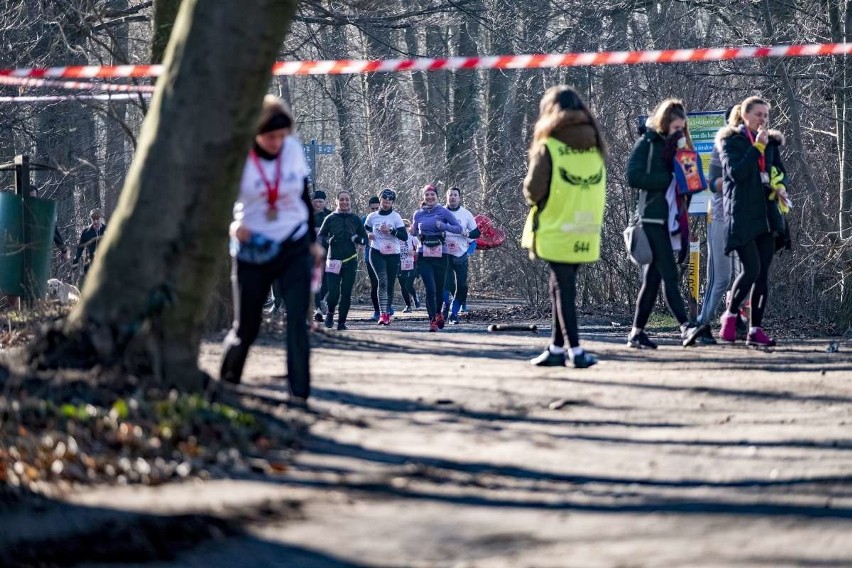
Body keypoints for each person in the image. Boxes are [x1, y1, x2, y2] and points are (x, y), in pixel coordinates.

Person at [220, 95, 324, 408]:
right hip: (254, 247)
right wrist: (231, 227)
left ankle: (299, 395)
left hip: (293, 244)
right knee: (247, 327)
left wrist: (313, 241)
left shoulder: (292, 150)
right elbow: (218, 203)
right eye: (270, 137)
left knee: (297, 320)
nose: (277, 142)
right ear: (255, 133)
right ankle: (226, 385)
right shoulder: (238, 156)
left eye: (282, 136)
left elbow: (304, 197)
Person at [521, 85, 606, 368]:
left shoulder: (550, 146)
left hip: (557, 225)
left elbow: (533, 190)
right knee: (560, 286)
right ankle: (557, 348)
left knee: (563, 288)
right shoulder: (595, 146)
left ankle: (576, 350)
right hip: (585, 228)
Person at [626, 98, 700, 349]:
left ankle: (636, 333)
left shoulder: (681, 147)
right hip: (652, 218)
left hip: (673, 220)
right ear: (664, 123)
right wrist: (667, 177)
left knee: (652, 280)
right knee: (669, 272)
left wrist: (686, 163)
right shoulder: (648, 143)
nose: (679, 132)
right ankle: (686, 326)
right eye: (675, 128)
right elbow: (633, 176)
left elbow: (691, 183)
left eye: (682, 128)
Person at [717, 96, 790, 347]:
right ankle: (730, 315)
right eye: (759, 114)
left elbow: (778, 172)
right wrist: (756, 148)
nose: (763, 119)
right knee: (752, 269)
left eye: (766, 115)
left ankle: (755, 329)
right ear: (745, 114)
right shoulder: (732, 141)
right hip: (742, 215)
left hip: (767, 215)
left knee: (763, 275)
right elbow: (736, 173)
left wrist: (780, 187)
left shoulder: (771, 143)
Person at [694, 106, 748, 344]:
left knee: (744, 274)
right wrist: (737, 179)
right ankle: (701, 324)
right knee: (721, 279)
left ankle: (735, 319)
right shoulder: (721, 146)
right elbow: (712, 182)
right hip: (719, 218)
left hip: (743, 219)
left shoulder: (751, 147)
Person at [412, 184, 463, 331]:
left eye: (432, 195)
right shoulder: (418, 214)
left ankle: (439, 313)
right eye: (426, 195)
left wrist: (444, 226)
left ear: (436, 197)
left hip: (441, 254)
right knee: (430, 289)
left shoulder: (443, 211)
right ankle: (432, 320)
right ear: (423, 197)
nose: (429, 197)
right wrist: (412, 231)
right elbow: (415, 231)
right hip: (424, 254)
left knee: (440, 289)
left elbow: (458, 229)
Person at [318, 190, 368, 330]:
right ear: (336, 201)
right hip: (333, 259)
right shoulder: (330, 218)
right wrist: (328, 241)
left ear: (350, 201)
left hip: (350, 260)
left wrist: (357, 239)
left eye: (347, 199)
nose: (344, 202)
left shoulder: (355, 219)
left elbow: (365, 240)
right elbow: (321, 237)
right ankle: (330, 312)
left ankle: (341, 322)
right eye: (342, 199)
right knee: (333, 293)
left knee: (346, 293)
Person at [364, 188, 408, 326]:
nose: (386, 203)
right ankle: (382, 314)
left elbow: (404, 236)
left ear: (393, 202)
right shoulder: (372, 217)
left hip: (393, 254)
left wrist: (391, 230)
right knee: (382, 281)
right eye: (384, 200)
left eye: (389, 201)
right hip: (376, 251)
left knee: (389, 284)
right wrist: (368, 235)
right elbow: (364, 229)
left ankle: (387, 313)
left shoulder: (396, 217)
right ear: (380, 200)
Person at [440, 187, 480, 324]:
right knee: (445, 284)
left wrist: (467, 233)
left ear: (459, 197)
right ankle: (445, 309)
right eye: (450, 195)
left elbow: (477, 233)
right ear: (446, 197)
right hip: (444, 254)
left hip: (460, 255)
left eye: (455, 195)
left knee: (462, 286)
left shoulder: (466, 214)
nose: (452, 197)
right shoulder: (440, 212)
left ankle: (454, 312)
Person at [311, 189, 333, 322]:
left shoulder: (330, 216)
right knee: (314, 279)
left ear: (325, 202)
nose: (318, 204)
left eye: (320, 202)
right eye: (316, 202)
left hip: (328, 252)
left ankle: (322, 301)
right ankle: (317, 308)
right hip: (311, 253)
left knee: (326, 279)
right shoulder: (307, 215)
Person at [72, 208, 107, 287]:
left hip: (104, 263)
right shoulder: (86, 232)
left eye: (97, 219)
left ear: (101, 218)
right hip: (90, 263)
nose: (95, 221)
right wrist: (76, 259)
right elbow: (80, 247)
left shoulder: (107, 230)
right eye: (93, 219)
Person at [363, 196, 381, 320]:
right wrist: (365, 239)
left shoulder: (387, 218)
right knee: (375, 283)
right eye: (372, 208)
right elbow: (358, 235)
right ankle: (377, 311)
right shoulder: (365, 219)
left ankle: (386, 306)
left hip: (387, 255)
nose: (374, 210)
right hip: (370, 255)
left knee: (386, 283)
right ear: (369, 208)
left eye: (377, 208)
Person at [398, 219, 420, 312]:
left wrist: (415, 252)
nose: (405, 228)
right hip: (399, 264)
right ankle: (408, 305)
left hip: (411, 263)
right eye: (403, 227)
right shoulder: (396, 238)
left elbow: (420, 248)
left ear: (409, 227)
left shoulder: (413, 238)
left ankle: (415, 296)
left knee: (408, 285)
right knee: (403, 286)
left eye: (406, 226)